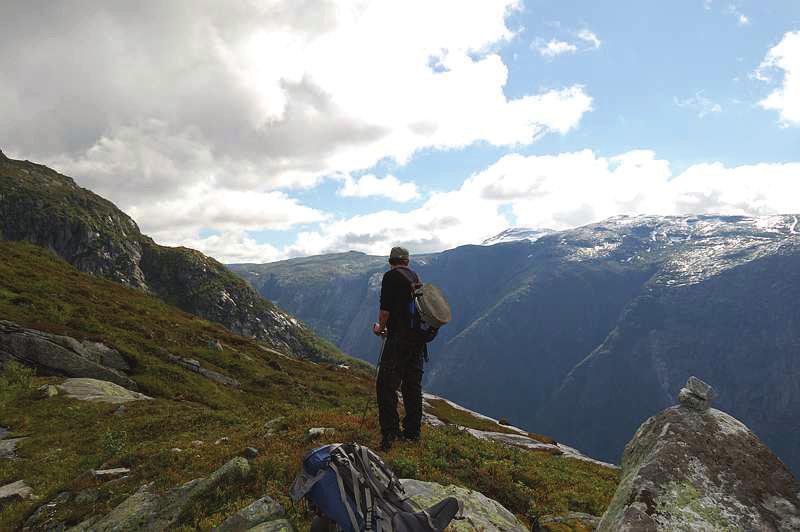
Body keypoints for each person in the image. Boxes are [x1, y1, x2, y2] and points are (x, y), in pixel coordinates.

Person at [372, 246, 425, 452]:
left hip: (398, 340)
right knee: (412, 387)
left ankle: (391, 435)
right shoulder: (414, 276)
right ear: (407, 261)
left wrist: (380, 329)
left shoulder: (390, 277)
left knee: (385, 386)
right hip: (418, 341)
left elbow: (385, 312)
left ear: (390, 261)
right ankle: (412, 434)